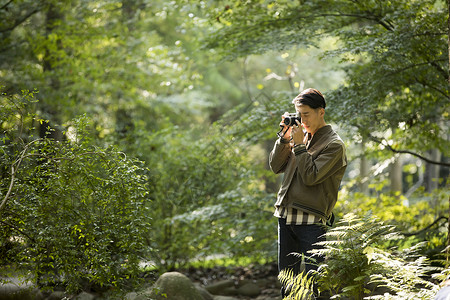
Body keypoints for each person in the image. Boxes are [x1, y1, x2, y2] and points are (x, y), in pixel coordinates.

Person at [269, 88, 347, 298]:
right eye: (298, 114)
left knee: (318, 282)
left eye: (306, 114)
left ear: (321, 111)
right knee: (288, 282)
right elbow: (275, 167)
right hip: (285, 217)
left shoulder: (334, 145)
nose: (302, 120)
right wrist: (285, 140)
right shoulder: (299, 137)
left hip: (311, 220)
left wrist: (300, 146)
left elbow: (311, 177)